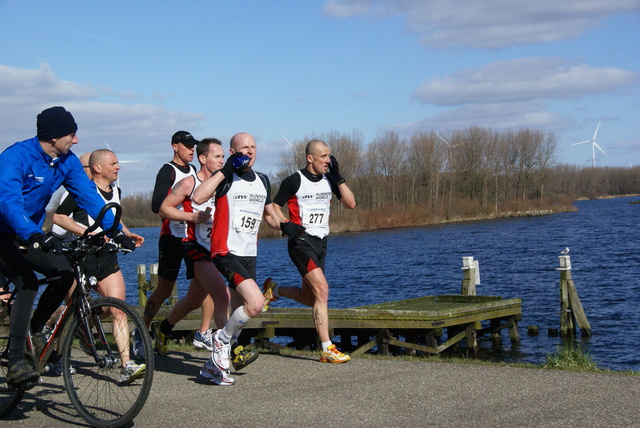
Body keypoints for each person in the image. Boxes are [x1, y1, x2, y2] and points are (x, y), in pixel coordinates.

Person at [0, 106, 131, 389]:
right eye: (72, 135)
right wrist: (33, 233)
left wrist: (114, 231)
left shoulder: (67, 162)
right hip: (5, 232)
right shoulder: (15, 157)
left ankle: (35, 332)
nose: (76, 141)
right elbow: (8, 201)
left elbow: (89, 197)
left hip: (30, 232)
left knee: (66, 274)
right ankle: (15, 362)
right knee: (27, 284)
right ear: (53, 136)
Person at [191, 132, 291, 385]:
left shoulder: (263, 180)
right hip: (225, 251)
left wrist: (291, 227)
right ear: (233, 152)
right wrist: (224, 170)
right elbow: (198, 197)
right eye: (244, 147)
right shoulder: (225, 177)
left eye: (253, 146)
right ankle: (220, 339)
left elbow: (270, 216)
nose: (249, 151)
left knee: (239, 314)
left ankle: (212, 367)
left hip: (249, 252)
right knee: (256, 303)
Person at [155, 138, 257, 368]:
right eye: (217, 157)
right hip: (196, 248)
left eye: (223, 156)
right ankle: (233, 351)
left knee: (193, 300)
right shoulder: (189, 184)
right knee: (222, 296)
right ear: (203, 159)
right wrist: (191, 217)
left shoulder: (225, 181)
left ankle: (162, 329)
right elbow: (164, 208)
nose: (222, 160)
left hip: (219, 249)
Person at [51, 149, 145, 383]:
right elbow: (58, 218)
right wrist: (89, 233)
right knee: (74, 314)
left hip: (106, 258)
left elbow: (113, 218)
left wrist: (126, 232)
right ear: (97, 168)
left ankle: (126, 365)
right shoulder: (81, 191)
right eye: (113, 163)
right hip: (81, 258)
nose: (118, 167)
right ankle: (54, 353)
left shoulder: (116, 191)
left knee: (118, 309)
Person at [263, 140, 356, 363]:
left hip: (321, 243)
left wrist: (338, 178)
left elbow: (351, 203)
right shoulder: (294, 180)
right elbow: (274, 206)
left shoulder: (329, 180)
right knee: (323, 290)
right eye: (323, 156)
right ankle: (326, 347)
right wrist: (286, 223)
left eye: (330, 156)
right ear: (310, 158)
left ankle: (274, 290)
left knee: (310, 297)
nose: (328, 160)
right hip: (301, 242)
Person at [134, 131, 203, 359]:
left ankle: (203, 334)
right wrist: (182, 203)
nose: (192, 150)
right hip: (171, 237)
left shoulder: (195, 171)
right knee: (164, 290)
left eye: (194, 146)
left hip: (193, 237)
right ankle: (141, 332)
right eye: (187, 146)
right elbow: (156, 206)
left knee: (206, 285)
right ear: (175, 147)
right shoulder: (168, 171)